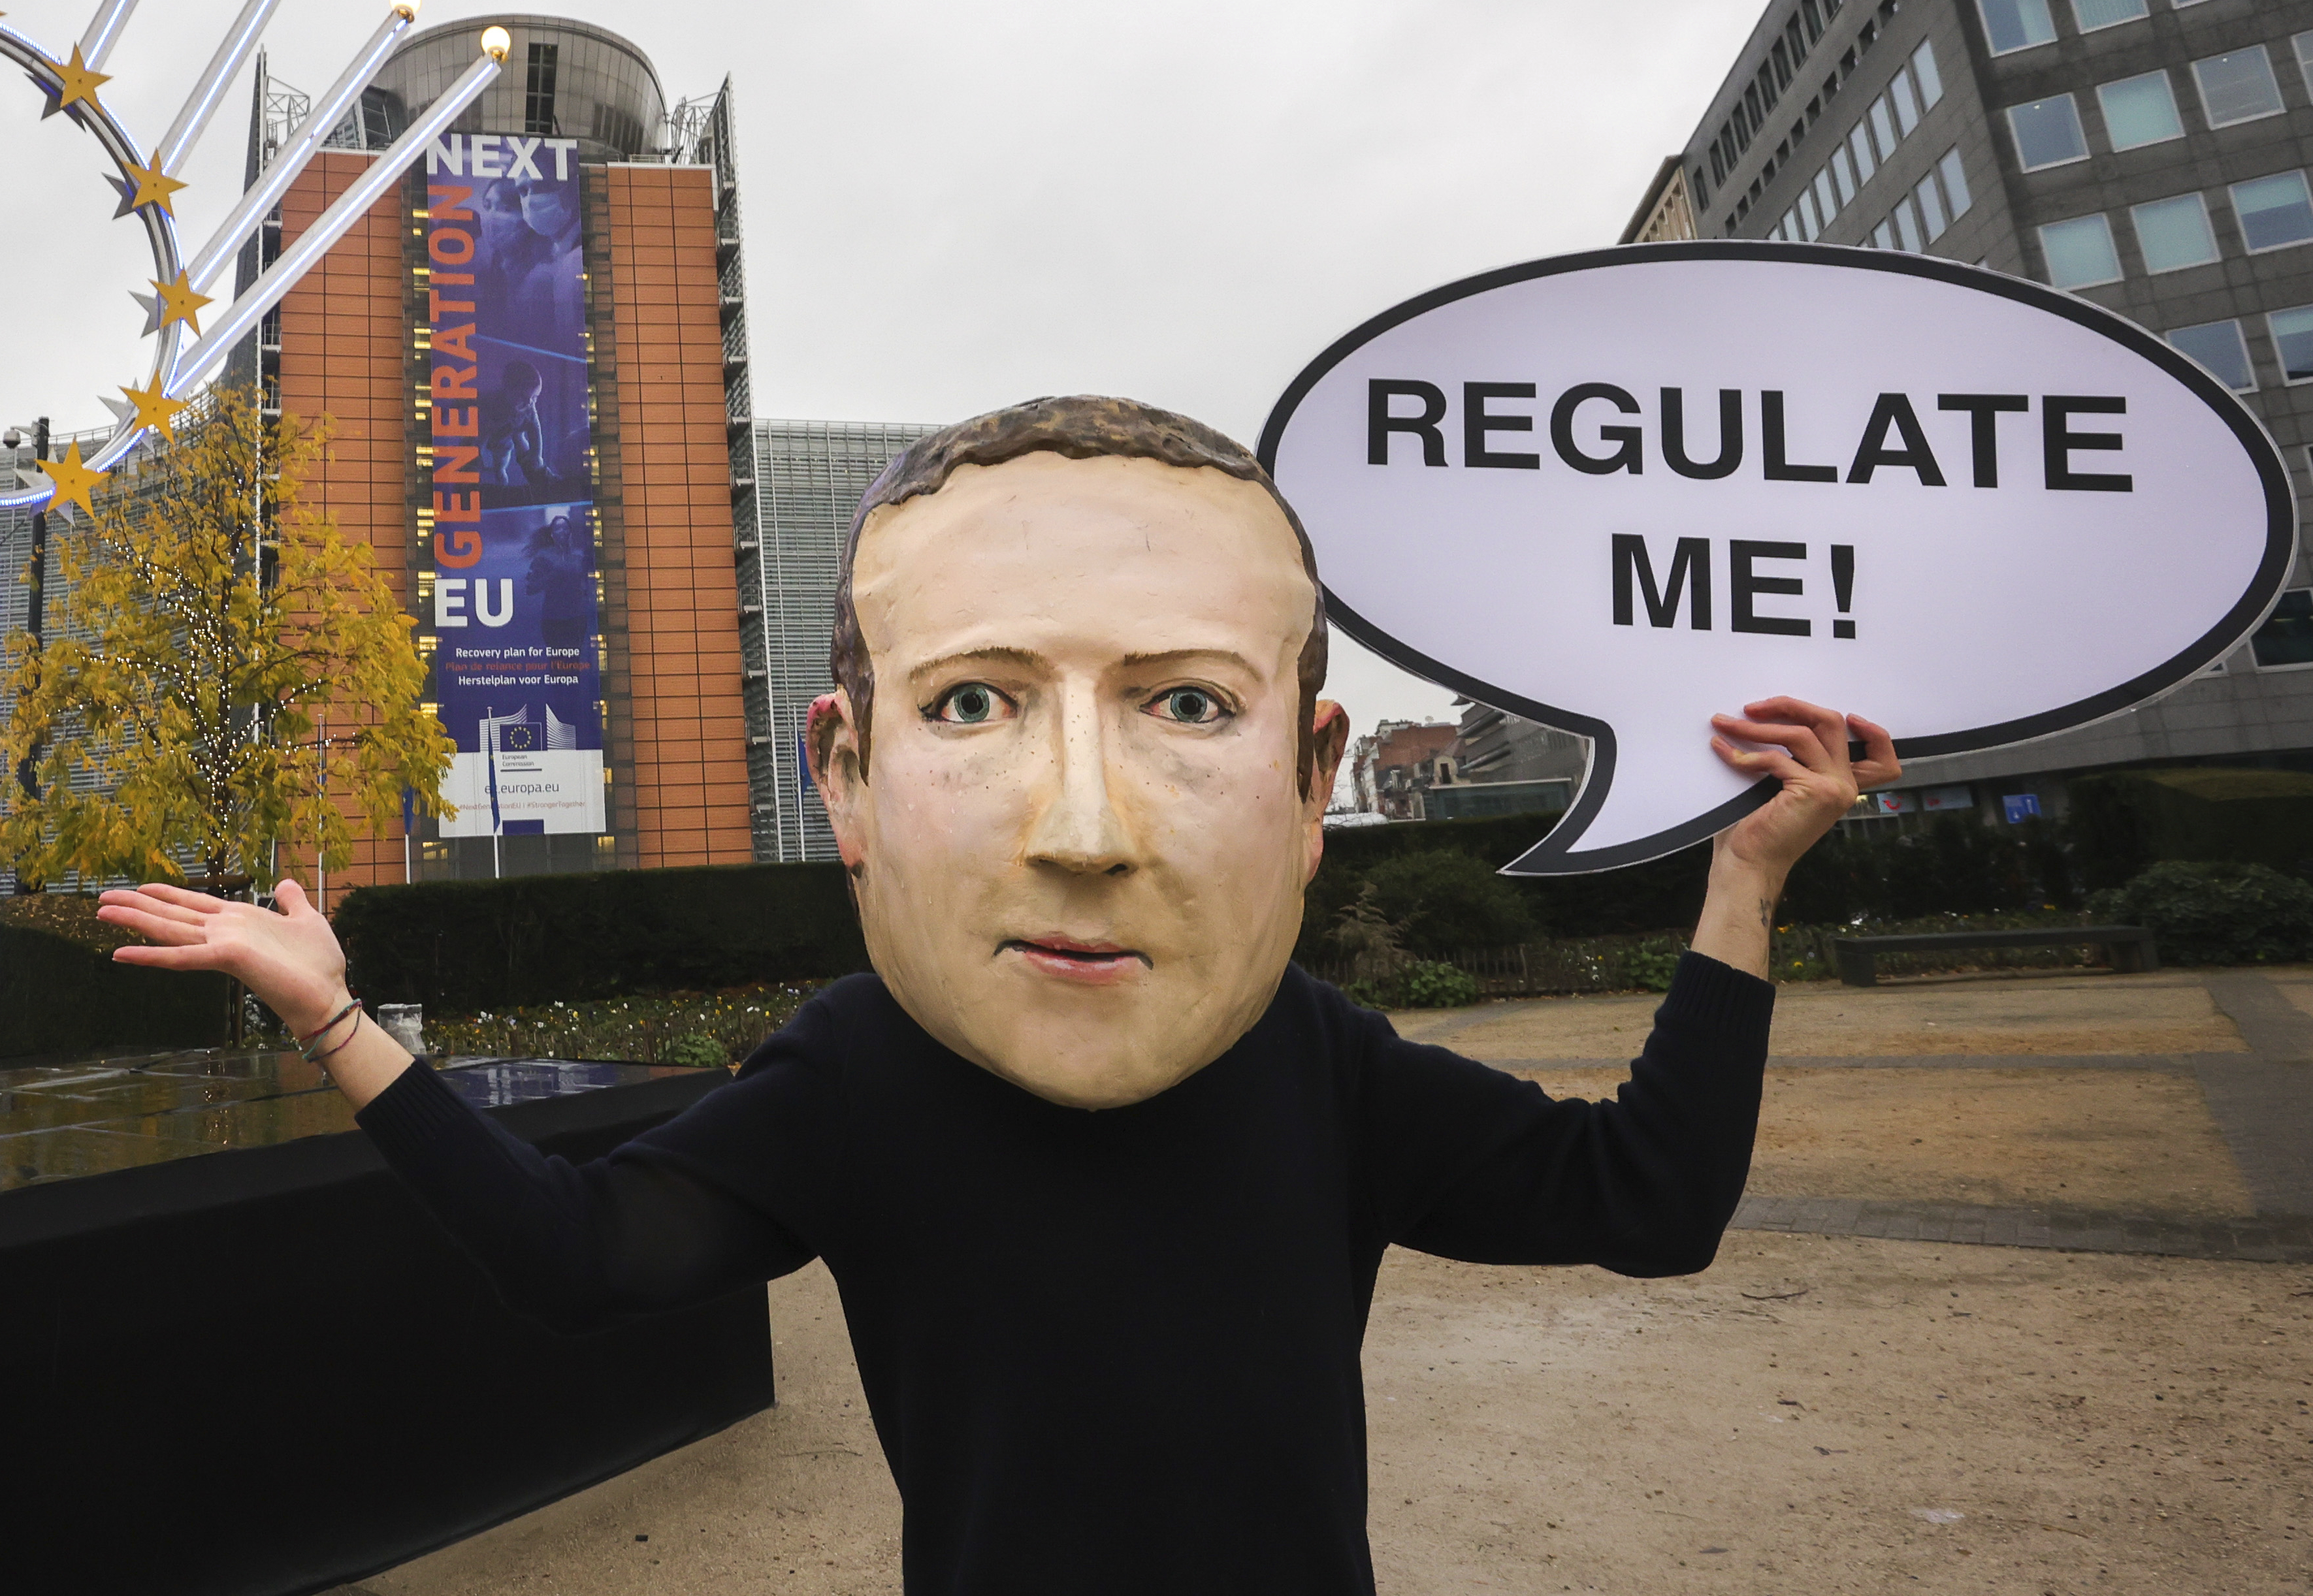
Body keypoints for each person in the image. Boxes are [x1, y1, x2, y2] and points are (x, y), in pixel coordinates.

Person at [101, 395, 1892, 1592]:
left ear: (1312, 776)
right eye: (972, 703)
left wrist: (1741, 879)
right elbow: (583, 1256)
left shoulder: (1317, 1067)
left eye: (1187, 702)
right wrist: (341, 1018)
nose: (1084, 829)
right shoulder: (858, 1080)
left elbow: (1644, 1204)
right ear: (848, 774)